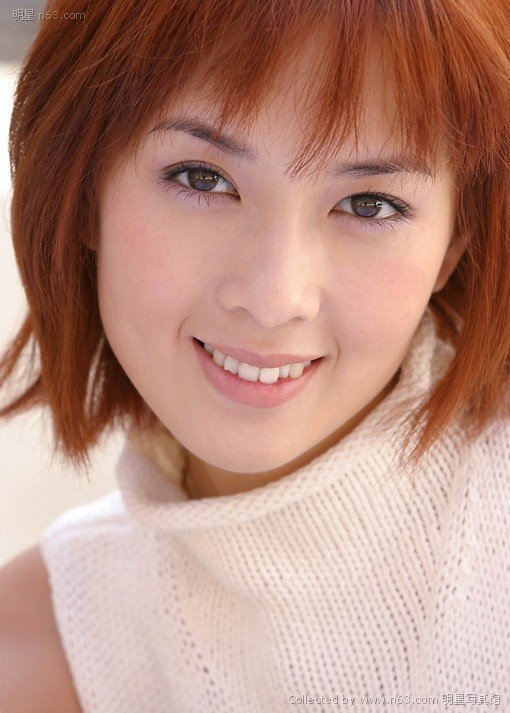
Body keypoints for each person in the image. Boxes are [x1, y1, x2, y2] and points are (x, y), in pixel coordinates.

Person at [0, 0, 508, 711]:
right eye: (202, 179)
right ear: (82, 192)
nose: (274, 298)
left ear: (454, 244)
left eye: (369, 204)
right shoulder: (41, 651)